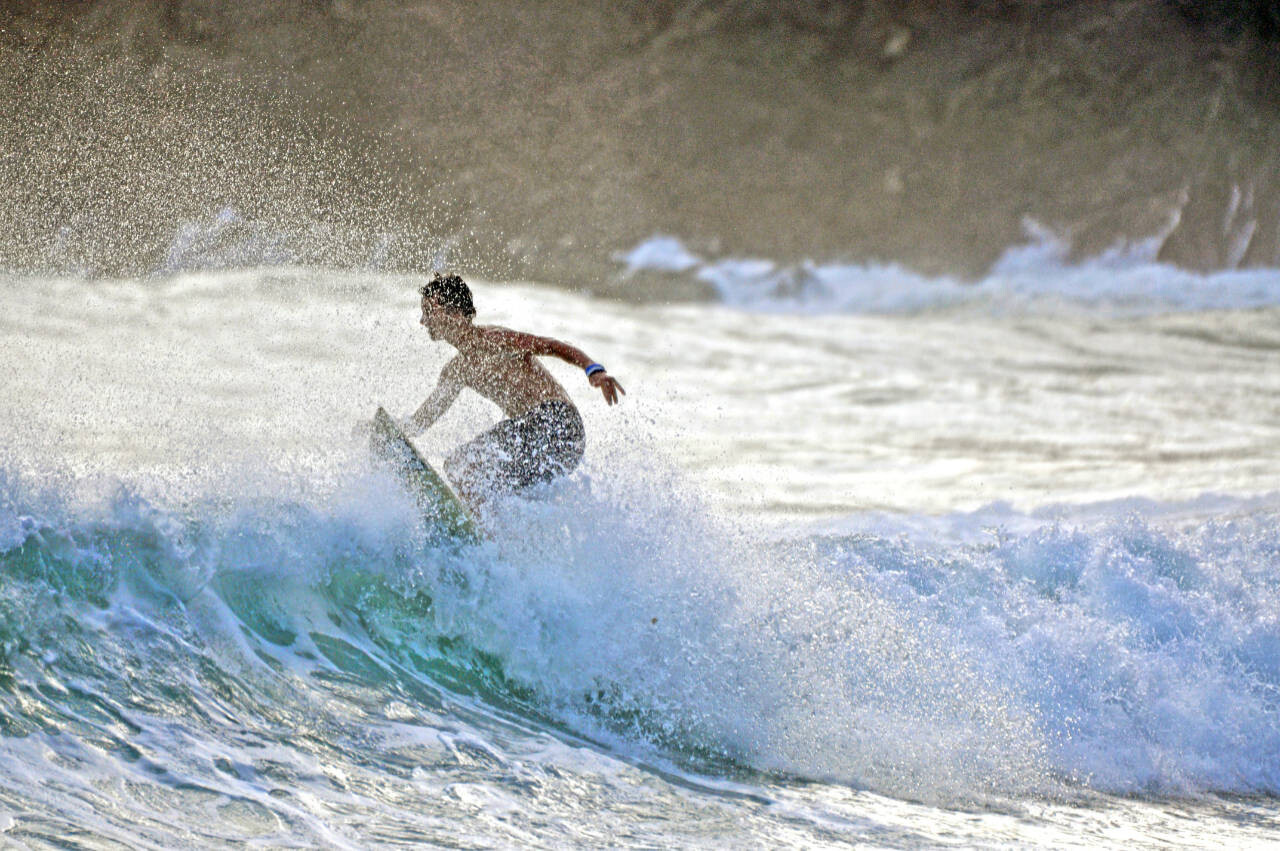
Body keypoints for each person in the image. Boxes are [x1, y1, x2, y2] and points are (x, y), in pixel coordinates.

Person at [401, 272, 624, 508]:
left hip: (557, 423)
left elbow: (552, 346)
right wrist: (394, 430)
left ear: (454, 313)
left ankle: (483, 528)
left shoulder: (494, 340)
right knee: (490, 485)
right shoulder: (457, 371)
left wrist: (594, 370)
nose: (423, 321)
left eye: (428, 311)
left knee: (462, 465)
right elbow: (421, 421)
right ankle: (493, 538)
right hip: (558, 447)